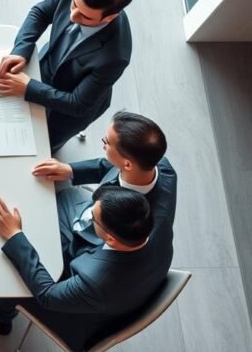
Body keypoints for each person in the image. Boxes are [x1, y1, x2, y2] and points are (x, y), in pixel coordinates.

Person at [0, 187, 171, 352]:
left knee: (11, 279)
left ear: (111, 239)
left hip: (79, 320)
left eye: (93, 218)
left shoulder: (96, 282)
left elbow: (47, 295)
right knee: (67, 198)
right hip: (127, 283)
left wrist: (14, 235)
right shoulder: (158, 221)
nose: (88, 215)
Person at [0, 0, 133, 152]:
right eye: (74, 5)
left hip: (66, 112)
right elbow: (41, 12)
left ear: (109, 17)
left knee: (42, 146)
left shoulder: (115, 56)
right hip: (45, 67)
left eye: (85, 17)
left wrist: (28, 88)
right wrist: (22, 50)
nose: (73, 16)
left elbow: (78, 104)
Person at [32, 111, 177, 261]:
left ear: (127, 163)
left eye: (106, 142)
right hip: (90, 211)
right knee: (66, 195)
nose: (103, 144)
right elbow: (112, 165)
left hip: (92, 244)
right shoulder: (154, 161)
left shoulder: (134, 223)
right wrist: (71, 170)